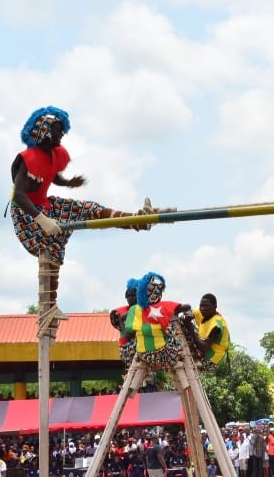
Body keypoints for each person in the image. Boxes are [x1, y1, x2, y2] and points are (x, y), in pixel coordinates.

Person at [9, 106, 172, 329]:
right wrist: (41, 219)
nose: (62, 134)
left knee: (86, 208)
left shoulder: (54, 154)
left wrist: (67, 183)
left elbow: (50, 173)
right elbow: (19, 194)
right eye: (57, 131)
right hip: (27, 215)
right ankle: (49, 305)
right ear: (44, 133)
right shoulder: (27, 159)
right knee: (53, 245)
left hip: (45, 205)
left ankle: (138, 221)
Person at [124, 271, 185, 370]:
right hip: (165, 353)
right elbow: (185, 307)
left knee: (136, 339)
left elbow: (128, 331)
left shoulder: (134, 310)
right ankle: (177, 359)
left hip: (143, 354)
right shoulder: (163, 305)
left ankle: (141, 362)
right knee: (173, 330)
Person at [178, 293, 231, 368]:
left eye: (206, 306)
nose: (202, 308)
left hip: (210, 358)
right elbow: (189, 311)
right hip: (202, 347)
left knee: (188, 327)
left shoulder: (217, 324)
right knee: (183, 321)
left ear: (215, 306)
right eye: (201, 306)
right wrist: (187, 315)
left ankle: (192, 358)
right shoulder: (203, 313)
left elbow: (205, 347)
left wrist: (190, 326)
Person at [110, 278, 138, 368]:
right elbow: (127, 334)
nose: (130, 298)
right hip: (128, 348)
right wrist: (122, 318)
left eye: (133, 296)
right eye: (128, 296)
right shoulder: (118, 313)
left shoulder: (142, 310)